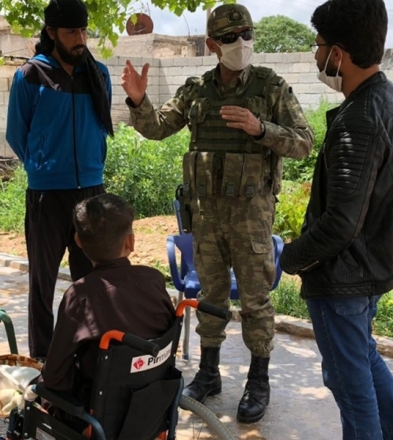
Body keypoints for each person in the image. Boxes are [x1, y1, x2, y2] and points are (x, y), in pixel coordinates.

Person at [121, 3, 313, 424]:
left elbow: (304, 142)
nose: (240, 43)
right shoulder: (197, 90)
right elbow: (157, 127)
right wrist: (137, 100)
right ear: (212, 44)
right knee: (208, 297)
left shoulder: (270, 87)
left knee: (256, 300)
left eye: (246, 34)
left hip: (251, 216)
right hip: (206, 216)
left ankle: (258, 379)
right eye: (229, 37)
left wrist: (261, 129)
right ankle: (208, 374)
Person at [278, 0, 393, 438]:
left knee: (351, 387)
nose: (315, 55)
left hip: (345, 278)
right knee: (364, 360)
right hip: (377, 265)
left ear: (338, 54)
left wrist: (289, 257)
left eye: (318, 46)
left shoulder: (358, 119)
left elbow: (340, 224)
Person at [6, 0, 113, 363]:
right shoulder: (30, 76)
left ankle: (86, 352)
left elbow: (100, 126)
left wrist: (90, 164)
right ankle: (42, 358)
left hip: (91, 193)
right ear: (51, 33)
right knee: (42, 280)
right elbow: (16, 134)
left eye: (83, 30)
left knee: (90, 280)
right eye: (71, 32)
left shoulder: (98, 74)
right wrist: (43, 167)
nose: (80, 38)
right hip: (46, 195)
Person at [42, 194, 175, 410]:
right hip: (153, 401)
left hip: (99, 412)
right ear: (130, 242)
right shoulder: (154, 280)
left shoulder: (80, 296)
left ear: (77, 241)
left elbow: (54, 376)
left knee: (38, 388)